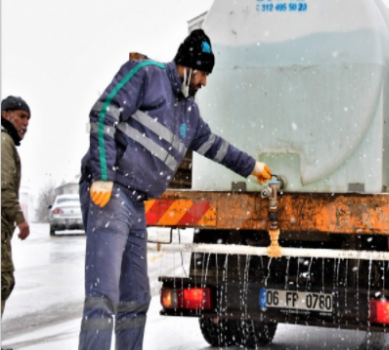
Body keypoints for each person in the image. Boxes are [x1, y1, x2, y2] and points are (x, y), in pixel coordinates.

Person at [78, 29, 272, 350]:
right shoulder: (145, 75)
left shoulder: (189, 114)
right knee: (104, 294)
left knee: (136, 295)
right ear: (186, 66)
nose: (204, 83)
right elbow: (104, 114)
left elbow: (216, 147)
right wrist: (101, 175)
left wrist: (253, 167)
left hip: (136, 202)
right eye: (202, 74)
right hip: (110, 191)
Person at [1, 96, 31, 319]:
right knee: (3, 280)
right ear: (5, 115)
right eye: (21, 116)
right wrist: (20, 218)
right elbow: (4, 187)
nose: (25, 123)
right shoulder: (3, 142)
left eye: (28, 119)